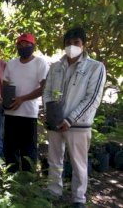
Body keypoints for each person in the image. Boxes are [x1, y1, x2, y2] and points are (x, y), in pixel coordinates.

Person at [44, 27, 106, 208]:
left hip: (78, 124)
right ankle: (53, 191)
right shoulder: (55, 67)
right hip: (55, 123)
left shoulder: (95, 67)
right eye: (68, 43)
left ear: (84, 45)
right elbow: (47, 92)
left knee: (79, 163)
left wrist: (70, 119)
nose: (72, 46)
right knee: (54, 159)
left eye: (76, 43)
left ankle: (78, 198)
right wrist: (51, 113)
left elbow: (93, 98)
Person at [3, 33, 49, 172]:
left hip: (28, 114)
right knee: (10, 148)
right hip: (10, 112)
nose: (23, 48)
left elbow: (44, 88)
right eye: (20, 45)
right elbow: (4, 83)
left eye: (27, 45)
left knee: (28, 150)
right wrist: (6, 98)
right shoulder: (11, 63)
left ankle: (28, 181)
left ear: (32, 46)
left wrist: (22, 99)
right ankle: (12, 180)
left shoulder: (40, 63)